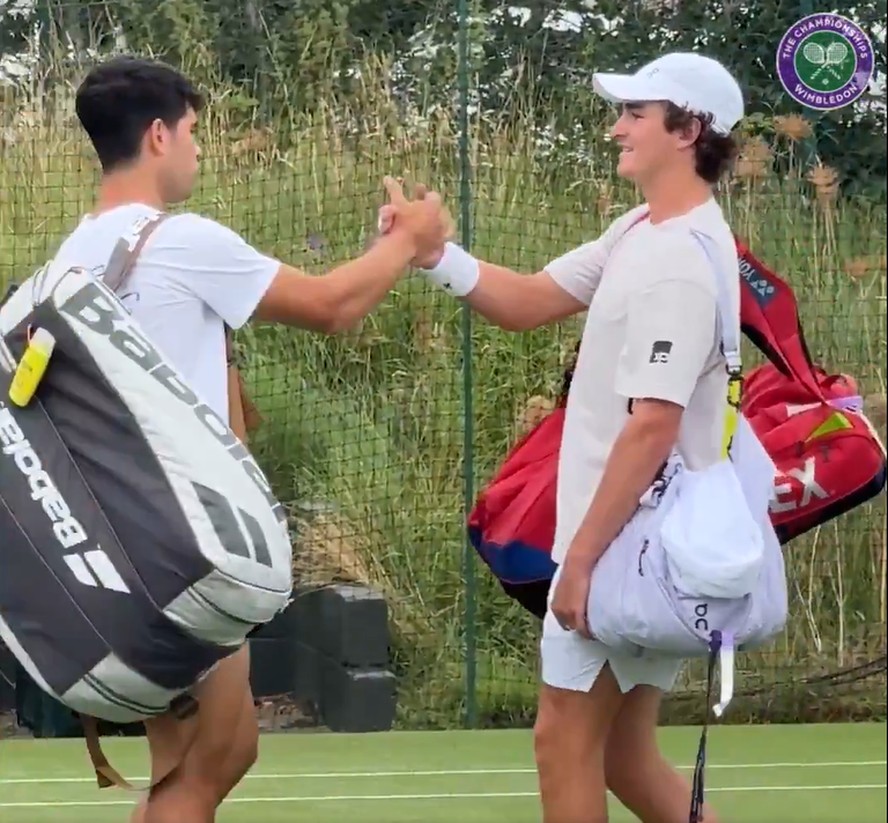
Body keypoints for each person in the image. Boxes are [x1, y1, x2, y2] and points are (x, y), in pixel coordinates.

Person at [59, 54, 450, 823]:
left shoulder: (73, 253)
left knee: (197, 758)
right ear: (161, 135)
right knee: (215, 758)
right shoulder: (180, 240)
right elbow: (334, 305)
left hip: (112, 546)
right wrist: (411, 240)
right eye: (196, 132)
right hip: (181, 550)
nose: (200, 149)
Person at [380, 51, 744, 823]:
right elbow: (532, 298)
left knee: (563, 741)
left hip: (625, 547)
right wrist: (432, 254)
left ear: (690, 130)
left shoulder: (680, 258)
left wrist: (577, 562)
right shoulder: (644, 228)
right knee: (623, 753)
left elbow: (654, 422)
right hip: (640, 545)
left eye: (635, 114)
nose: (617, 127)